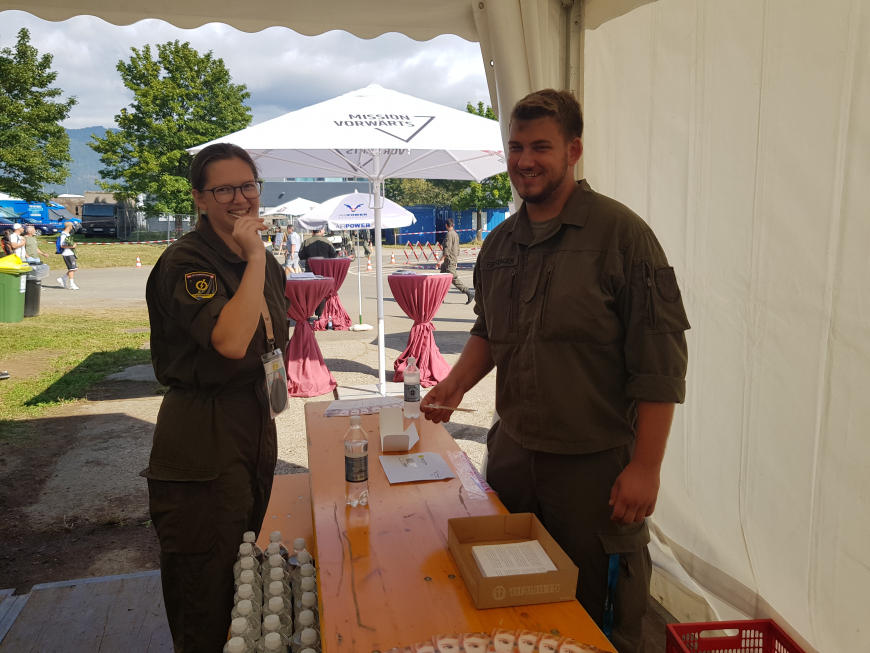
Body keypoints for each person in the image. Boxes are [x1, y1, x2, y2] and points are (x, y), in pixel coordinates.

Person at [421, 89, 690, 653]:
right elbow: (491, 331)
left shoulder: (623, 238)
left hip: (595, 470)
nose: (525, 160)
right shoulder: (498, 245)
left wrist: (646, 467)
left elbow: (659, 365)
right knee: (511, 606)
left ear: (574, 150)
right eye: (516, 147)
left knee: (597, 619)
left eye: (540, 146)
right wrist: (454, 384)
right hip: (514, 459)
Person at [141, 142, 290, 653]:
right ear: (199, 199)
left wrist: (256, 259)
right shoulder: (187, 260)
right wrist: (253, 257)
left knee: (246, 565)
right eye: (222, 189)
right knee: (204, 579)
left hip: (253, 417)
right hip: (201, 429)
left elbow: (270, 341)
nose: (239, 199)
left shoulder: (265, 263)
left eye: (247, 185)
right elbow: (228, 342)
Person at [440, 218, 474, 304]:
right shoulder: (455, 234)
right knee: (441, 278)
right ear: (453, 225)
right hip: (451, 259)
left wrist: (440, 260)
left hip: (449, 260)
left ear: (446, 225)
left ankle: (468, 292)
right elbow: (457, 249)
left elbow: (447, 249)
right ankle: (440, 297)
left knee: (453, 279)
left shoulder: (449, 235)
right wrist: (455, 260)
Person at [57, 222, 79, 290]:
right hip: (67, 253)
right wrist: (71, 246)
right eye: (72, 226)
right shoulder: (63, 235)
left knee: (74, 268)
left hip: (70, 253)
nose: (72, 227)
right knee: (72, 269)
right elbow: (62, 245)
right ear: (69, 226)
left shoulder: (67, 234)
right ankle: (71, 284)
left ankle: (63, 279)